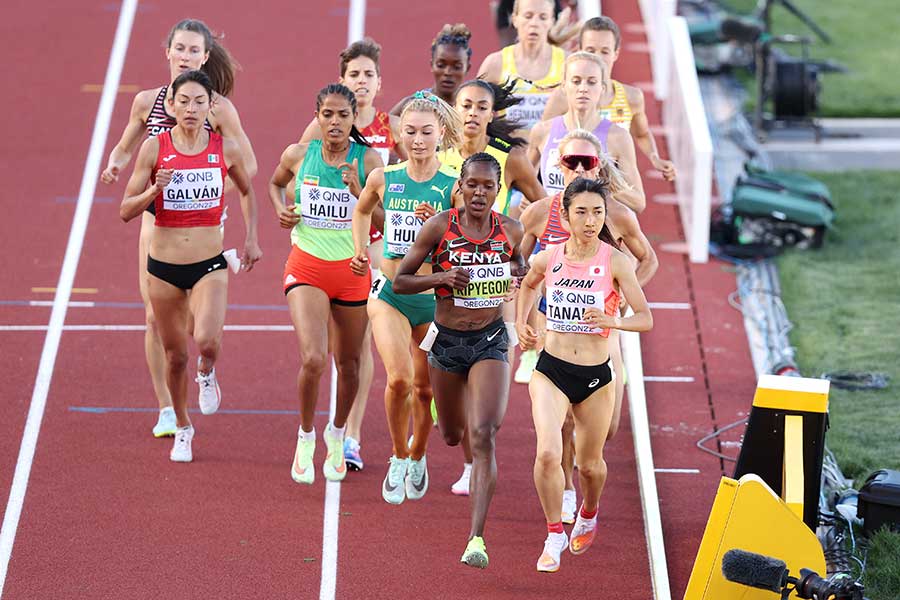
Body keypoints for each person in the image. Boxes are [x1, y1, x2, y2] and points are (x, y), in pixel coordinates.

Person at [101, 19, 257, 438]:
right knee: (153, 316)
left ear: (205, 56)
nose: (185, 56)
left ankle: (204, 363)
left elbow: (251, 167)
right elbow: (125, 144)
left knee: (196, 326)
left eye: (194, 50)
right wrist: (116, 163)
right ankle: (167, 408)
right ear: (167, 52)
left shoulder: (218, 109)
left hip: (205, 222)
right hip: (156, 220)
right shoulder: (147, 102)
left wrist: (205, 180)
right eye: (180, 49)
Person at [393, 152, 526, 569]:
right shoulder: (440, 227)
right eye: (473, 185)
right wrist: (441, 278)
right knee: (452, 434)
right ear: (461, 187)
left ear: (498, 190)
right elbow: (401, 280)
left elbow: (518, 264)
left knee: (484, 433)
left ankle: (476, 539)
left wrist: (517, 276)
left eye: (489, 186)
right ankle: (449, 416)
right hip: (447, 344)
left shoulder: (511, 230)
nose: (480, 193)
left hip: (490, 341)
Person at [519, 128, 658, 521]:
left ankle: (583, 473)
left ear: (600, 166)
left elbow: (647, 261)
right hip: (554, 328)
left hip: (603, 330)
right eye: (570, 161)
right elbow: (522, 267)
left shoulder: (615, 214)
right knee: (558, 418)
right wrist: (524, 319)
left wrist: (614, 298)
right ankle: (563, 485)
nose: (579, 167)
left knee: (607, 430)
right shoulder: (539, 212)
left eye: (588, 161)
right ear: (556, 165)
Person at [351, 91, 462, 505]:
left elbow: (465, 240)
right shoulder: (385, 178)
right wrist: (359, 251)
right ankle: (398, 456)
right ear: (398, 133)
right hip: (391, 293)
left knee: (426, 390)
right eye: (410, 131)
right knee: (397, 378)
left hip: (433, 299)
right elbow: (362, 210)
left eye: (426, 132)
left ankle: (418, 455)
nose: (417, 139)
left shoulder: (452, 187)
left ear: (441, 134)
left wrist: (435, 229)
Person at [297, 37, 402, 472]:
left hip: (372, 242)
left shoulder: (392, 127)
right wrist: (293, 211)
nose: (361, 82)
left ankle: (351, 434)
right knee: (317, 348)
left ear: (379, 83)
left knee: (358, 347)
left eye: (368, 75)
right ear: (343, 80)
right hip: (322, 247)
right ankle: (314, 424)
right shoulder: (321, 126)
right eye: (354, 75)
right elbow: (298, 172)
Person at [269, 84, 383, 484]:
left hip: (352, 272)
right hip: (308, 266)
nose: (335, 123)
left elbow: (385, 223)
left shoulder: (368, 160)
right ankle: (305, 436)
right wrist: (282, 211)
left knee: (349, 364)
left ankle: (337, 433)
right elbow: (274, 183)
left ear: (355, 119)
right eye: (328, 115)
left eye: (343, 116)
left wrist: (359, 192)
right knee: (314, 358)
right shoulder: (299, 155)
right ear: (317, 117)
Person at [541, 16, 676, 181]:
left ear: (616, 53)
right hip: (573, 188)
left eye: (604, 51)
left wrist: (655, 159)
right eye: (591, 50)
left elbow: (641, 134)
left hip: (614, 190)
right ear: (580, 51)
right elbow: (543, 141)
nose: (598, 57)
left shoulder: (631, 98)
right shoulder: (563, 96)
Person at [528, 52, 645, 212]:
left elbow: (638, 202)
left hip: (595, 230)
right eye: (576, 81)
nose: (583, 88)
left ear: (602, 88)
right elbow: (521, 183)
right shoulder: (542, 131)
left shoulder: (618, 137)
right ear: (564, 86)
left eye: (591, 82)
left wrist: (602, 184)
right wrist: (531, 200)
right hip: (552, 231)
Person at [478, 0, 566, 131]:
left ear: (552, 21)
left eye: (543, 17)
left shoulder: (568, 63)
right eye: (528, 16)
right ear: (514, 19)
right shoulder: (495, 63)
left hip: (554, 149)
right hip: (508, 148)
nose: (534, 24)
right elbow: (472, 109)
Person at [391, 24, 473, 115]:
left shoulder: (473, 110)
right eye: (441, 65)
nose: (447, 72)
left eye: (457, 67)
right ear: (431, 65)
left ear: (467, 68)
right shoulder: (411, 105)